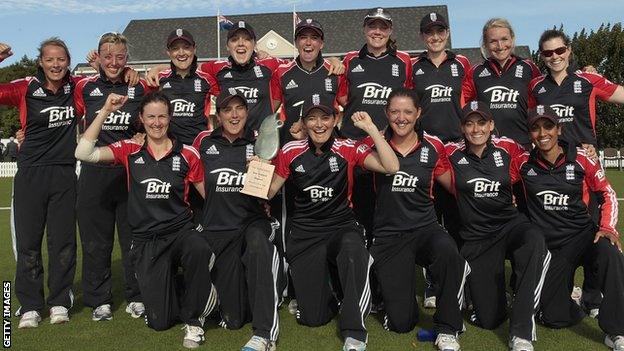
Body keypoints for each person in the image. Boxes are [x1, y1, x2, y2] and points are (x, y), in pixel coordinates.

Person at [75, 92, 215, 349]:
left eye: (162, 116)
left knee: (199, 247)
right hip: (147, 240)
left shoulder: (188, 154)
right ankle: (182, 287)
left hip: (180, 232)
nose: (157, 122)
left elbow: (208, 196)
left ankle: (195, 319)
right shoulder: (130, 149)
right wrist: (105, 110)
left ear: (170, 118)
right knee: (160, 322)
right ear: (141, 118)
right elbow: (83, 152)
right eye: (151, 117)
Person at [266, 98, 399, 351]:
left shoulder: (348, 148)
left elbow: (391, 166)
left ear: (335, 120)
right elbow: (270, 192)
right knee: (313, 319)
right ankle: (335, 291)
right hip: (306, 233)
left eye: (325, 118)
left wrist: (371, 129)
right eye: (312, 119)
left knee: (353, 250)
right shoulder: (290, 151)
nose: (319, 125)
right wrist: (257, 170)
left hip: (341, 227)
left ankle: (354, 331)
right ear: (304, 123)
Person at [528, 29, 624, 317]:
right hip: (551, 164)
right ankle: (563, 285)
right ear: (542, 56)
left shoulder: (588, 79)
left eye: (559, 51)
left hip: (586, 162)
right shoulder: (535, 86)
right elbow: (534, 124)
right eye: (547, 53)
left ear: (568, 50)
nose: (555, 57)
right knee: (558, 224)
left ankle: (594, 296)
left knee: (595, 228)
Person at [364, 88, 469, 351]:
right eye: (395, 112)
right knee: (401, 323)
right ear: (386, 114)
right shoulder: (372, 144)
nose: (401, 118)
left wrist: (498, 198)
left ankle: (448, 327)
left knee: (447, 250)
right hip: (389, 236)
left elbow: (456, 186)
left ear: (419, 113)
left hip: (425, 229)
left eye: (408, 112)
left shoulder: (434, 146)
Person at [514, 105, 624, 351]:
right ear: (530, 133)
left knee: (610, 252)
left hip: (583, 236)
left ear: (559, 129)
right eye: (535, 128)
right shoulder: (522, 163)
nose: (543, 133)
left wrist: (607, 227)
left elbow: (606, 193)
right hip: (551, 247)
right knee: (553, 317)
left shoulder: (582, 157)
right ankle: (579, 305)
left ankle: (617, 330)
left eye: (548, 126)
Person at [445, 101, 549, 351]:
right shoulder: (449, 152)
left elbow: (542, 156)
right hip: (477, 237)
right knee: (489, 319)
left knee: (533, 239)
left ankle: (522, 332)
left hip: (509, 226)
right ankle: (496, 298)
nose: (476, 129)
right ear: (462, 128)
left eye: (482, 123)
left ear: (491, 125)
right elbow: (416, 146)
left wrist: (579, 151)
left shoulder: (509, 148)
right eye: (469, 123)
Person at [0, 38, 83, 328]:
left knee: (63, 243)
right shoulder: (25, 86)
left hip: (63, 174)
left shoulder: (78, 88)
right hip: (30, 175)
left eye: (61, 59)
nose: (56, 65)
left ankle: (59, 301)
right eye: (50, 59)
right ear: (40, 62)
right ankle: (30, 306)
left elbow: (109, 84)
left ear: (68, 61)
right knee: (29, 244)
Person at [192, 89, 281, 351]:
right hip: (218, 228)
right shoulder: (203, 142)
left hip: (251, 222)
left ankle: (265, 334)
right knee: (233, 319)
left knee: (258, 246)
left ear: (247, 112)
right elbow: (189, 170)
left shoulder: (259, 142)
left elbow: (268, 192)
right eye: (227, 110)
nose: (234, 115)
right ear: (218, 115)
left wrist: (261, 170)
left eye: (239, 109)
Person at [74, 32, 151, 321]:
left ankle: (137, 295)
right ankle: (99, 299)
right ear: (99, 57)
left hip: (130, 173)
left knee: (133, 239)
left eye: (120, 57)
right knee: (96, 242)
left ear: (127, 59)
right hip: (95, 172)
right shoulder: (84, 87)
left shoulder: (139, 88)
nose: (114, 62)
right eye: (108, 56)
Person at [411, 11, 473, 307]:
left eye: (440, 31)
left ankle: (463, 280)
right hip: (427, 150)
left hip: (458, 148)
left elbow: (475, 99)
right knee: (431, 221)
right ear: (422, 36)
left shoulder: (462, 63)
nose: (435, 37)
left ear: (447, 33)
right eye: (429, 32)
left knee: (461, 216)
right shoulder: (414, 66)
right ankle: (434, 285)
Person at [464, 18, 540, 148]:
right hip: (488, 149)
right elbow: (463, 107)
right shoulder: (475, 72)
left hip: (523, 147)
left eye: (504, 39)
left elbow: (546, 99)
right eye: (493, 41)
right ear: (485, 44)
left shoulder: (529, 69)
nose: (500, 46)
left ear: (512, 39)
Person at [157, 28, 219, 145]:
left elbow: (227, 99)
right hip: (168, 148)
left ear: (194, 49)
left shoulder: (207, 79)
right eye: (175, 48)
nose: (181, 53)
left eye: (186, 47)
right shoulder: (159, 79)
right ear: (168, 52)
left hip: (199, 147)